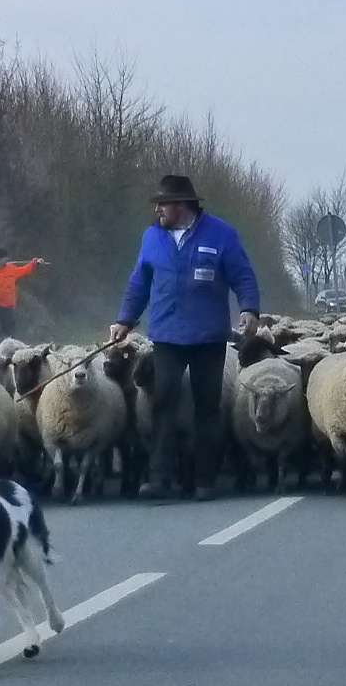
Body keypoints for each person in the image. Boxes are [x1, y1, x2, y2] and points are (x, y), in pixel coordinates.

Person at [107, 174, 260, 502]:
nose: (158, 209)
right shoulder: (152, 237)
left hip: (208, 335)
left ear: (182, 205)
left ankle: (205, 478)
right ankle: (159, 477)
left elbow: (242, 274)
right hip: (167, 335)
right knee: (163, 403)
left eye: (163, 203)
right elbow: (139, 282)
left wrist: (249, 308)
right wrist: (125, 319)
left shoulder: (221, 233)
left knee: (208, 407)